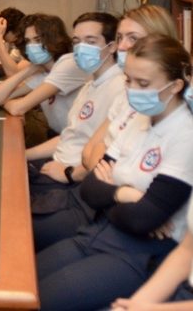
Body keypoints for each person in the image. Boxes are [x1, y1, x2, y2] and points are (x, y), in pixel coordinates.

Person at [36, 34, 193, 310]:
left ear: (175, 85)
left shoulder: (185, 135)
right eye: (128, 80)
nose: (132, 90)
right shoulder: (138, 119)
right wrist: (125, 193)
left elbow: (142, 220)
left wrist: (111, 194)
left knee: (42, 301)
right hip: (97, 231)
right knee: (24, 281)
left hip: (138, 254)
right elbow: (89, 189)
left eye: (143, 84)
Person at [25, 13, 122, 251]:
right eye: (77, 41)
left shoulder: (120, 87)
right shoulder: (91, 84)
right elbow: (70, 134)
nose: (81, 48)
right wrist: (23, 155)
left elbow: (105, 155)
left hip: (69, 183)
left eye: (91, 41)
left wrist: (69, 172)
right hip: (56, 164)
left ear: (112, 46)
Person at [82, 5, 178, 171]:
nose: (121, 47)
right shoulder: (127, 90)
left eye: (133, 39)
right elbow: (90, 150)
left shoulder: (170, 100)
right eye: (120, 38)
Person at [0, 14, 86, 147]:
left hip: (78, 143)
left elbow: (18, 108)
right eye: (28, 41)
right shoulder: (43, 73)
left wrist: (6, 102)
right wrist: (29, 69)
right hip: (60, 139)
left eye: (37, 40)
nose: (32, 46)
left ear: (54, 39)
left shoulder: (68, 64)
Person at [0, 7, 30, 74]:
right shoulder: (18, 48)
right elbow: (8, 64)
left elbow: (13, 73)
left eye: (15, 42)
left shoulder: (34, 48)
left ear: (17, 32)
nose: (14, 45)